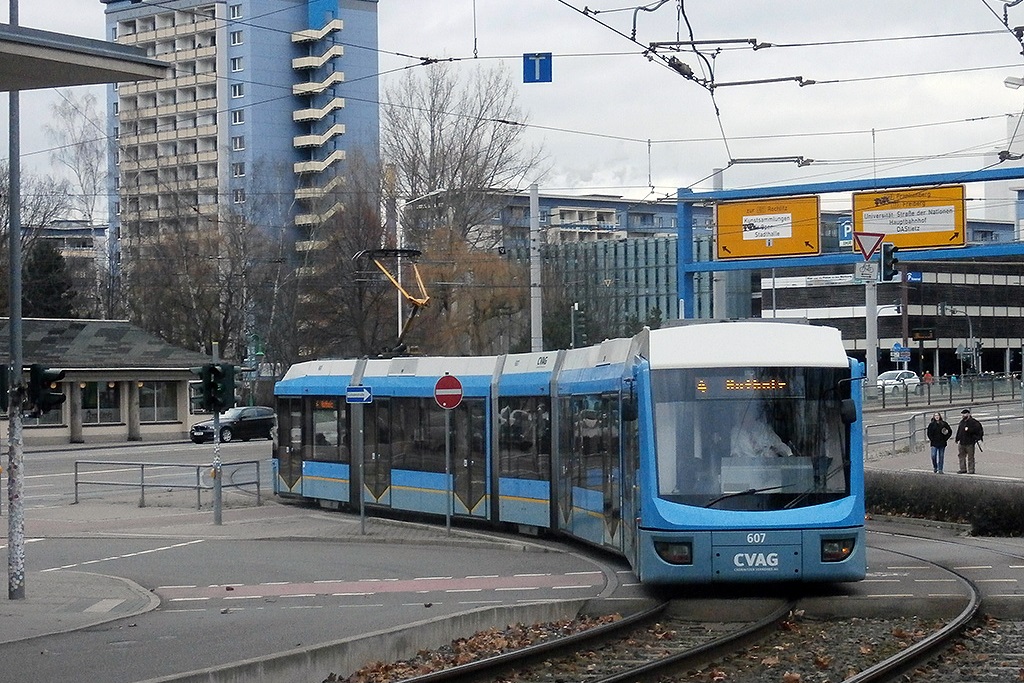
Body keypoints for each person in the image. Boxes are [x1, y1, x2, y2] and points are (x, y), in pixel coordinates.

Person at [954, 408, 984, 474]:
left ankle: (971, 469)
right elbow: (959, 431)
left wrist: (972, 434)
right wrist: (957, 438)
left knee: (970, 457)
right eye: (962, 414)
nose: (963, 415)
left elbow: (979, 432)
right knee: (961, 456)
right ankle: (963, 469)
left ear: (969, 414)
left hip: (970, 442)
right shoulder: (962, 422)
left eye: (965, 414)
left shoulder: (974, 422)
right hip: (962, 442)